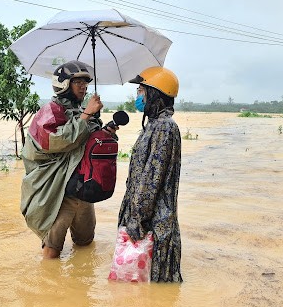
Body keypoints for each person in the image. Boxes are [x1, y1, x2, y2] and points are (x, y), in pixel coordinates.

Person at [20, 60, 117, 259]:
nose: (83, 87)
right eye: (77, 82)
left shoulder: (81, 112)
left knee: (85, 242)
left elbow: (86, 145)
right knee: (52, 248)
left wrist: (103, 132)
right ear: (63, 84)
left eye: (85, 83)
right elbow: (55, 141)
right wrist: (87, 115)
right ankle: (49, 286)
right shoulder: (50, 110)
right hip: (59, 189)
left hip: (82, 185)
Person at [118, 66, 183, 282]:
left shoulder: (164, 128)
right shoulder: (154, 126)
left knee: (150, 287)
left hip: (153, 225)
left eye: (140, 91)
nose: (137, 96)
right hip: (148, 222)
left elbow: (151, 180)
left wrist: (137, 219)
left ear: (154, 93)